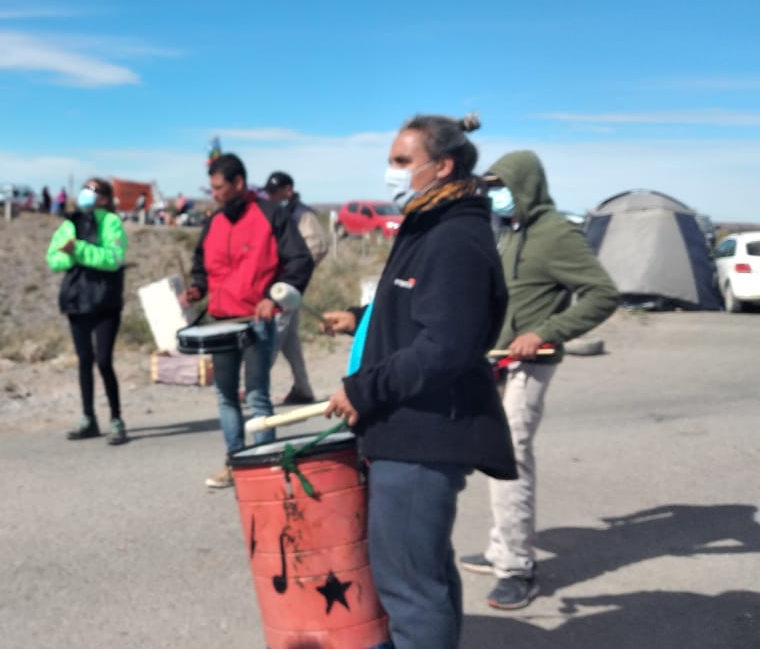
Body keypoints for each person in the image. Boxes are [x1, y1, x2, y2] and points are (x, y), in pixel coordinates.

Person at [321, 113, 514, 649]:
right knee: (423, 570)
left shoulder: (455, 237)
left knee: (409, 583)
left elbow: (444, 347)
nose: (393, 172)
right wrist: (360, 318)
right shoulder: (429, 224)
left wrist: (363, 390)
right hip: (408, 428)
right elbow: (416, 311)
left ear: (443, 166)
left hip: (423, 434)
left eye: (403, 161)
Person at [458, 151, 618, 609]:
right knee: (494, 454)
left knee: (512, 457)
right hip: (497, 360)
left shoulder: (556, 233)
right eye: (490, 188)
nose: (494, 196)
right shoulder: (509, 231)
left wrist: (545, 332)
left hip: (531, 362)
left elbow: (603, 294)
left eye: (501, 187)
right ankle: (500, 549)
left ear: (525, 186)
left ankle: (517, 569)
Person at [180, 153, 313, 489]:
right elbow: (201, 265)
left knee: (257, 397)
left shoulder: (272, 214)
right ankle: (236, 463)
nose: (214, 194)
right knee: (225, 396)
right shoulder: (213, 221)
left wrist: (273, 297)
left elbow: (299, 260)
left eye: (219, 188)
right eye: (211, 188)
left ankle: (266, 469)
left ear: (238, 183)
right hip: (221, 323)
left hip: (257, 322)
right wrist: (197, 288)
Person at [45, 178, 129, 445]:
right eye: (85, 188)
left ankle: (116, 419)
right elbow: (54, 258)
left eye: (92, 190)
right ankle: (88, 417)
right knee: (84, 360)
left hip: (105, 301)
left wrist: (79, 249)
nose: (86, 194)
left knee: (103, 360)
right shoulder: (69, 224)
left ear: (105, 198)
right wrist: (69, 255)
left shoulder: (112, 223)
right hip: (77, 300)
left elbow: (113, 259)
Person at [263, 171, 331, 404]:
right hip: (281, 284)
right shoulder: (281, 213)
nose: (271, 196)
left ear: (288, 190)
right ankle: (303, 388)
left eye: (275, 192)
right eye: (269, 193)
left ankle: (257, 383)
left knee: (274, 332)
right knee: (289, 338)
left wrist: (295, 273)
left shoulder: (303, 215)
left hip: (287, 286)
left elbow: (317, 246)